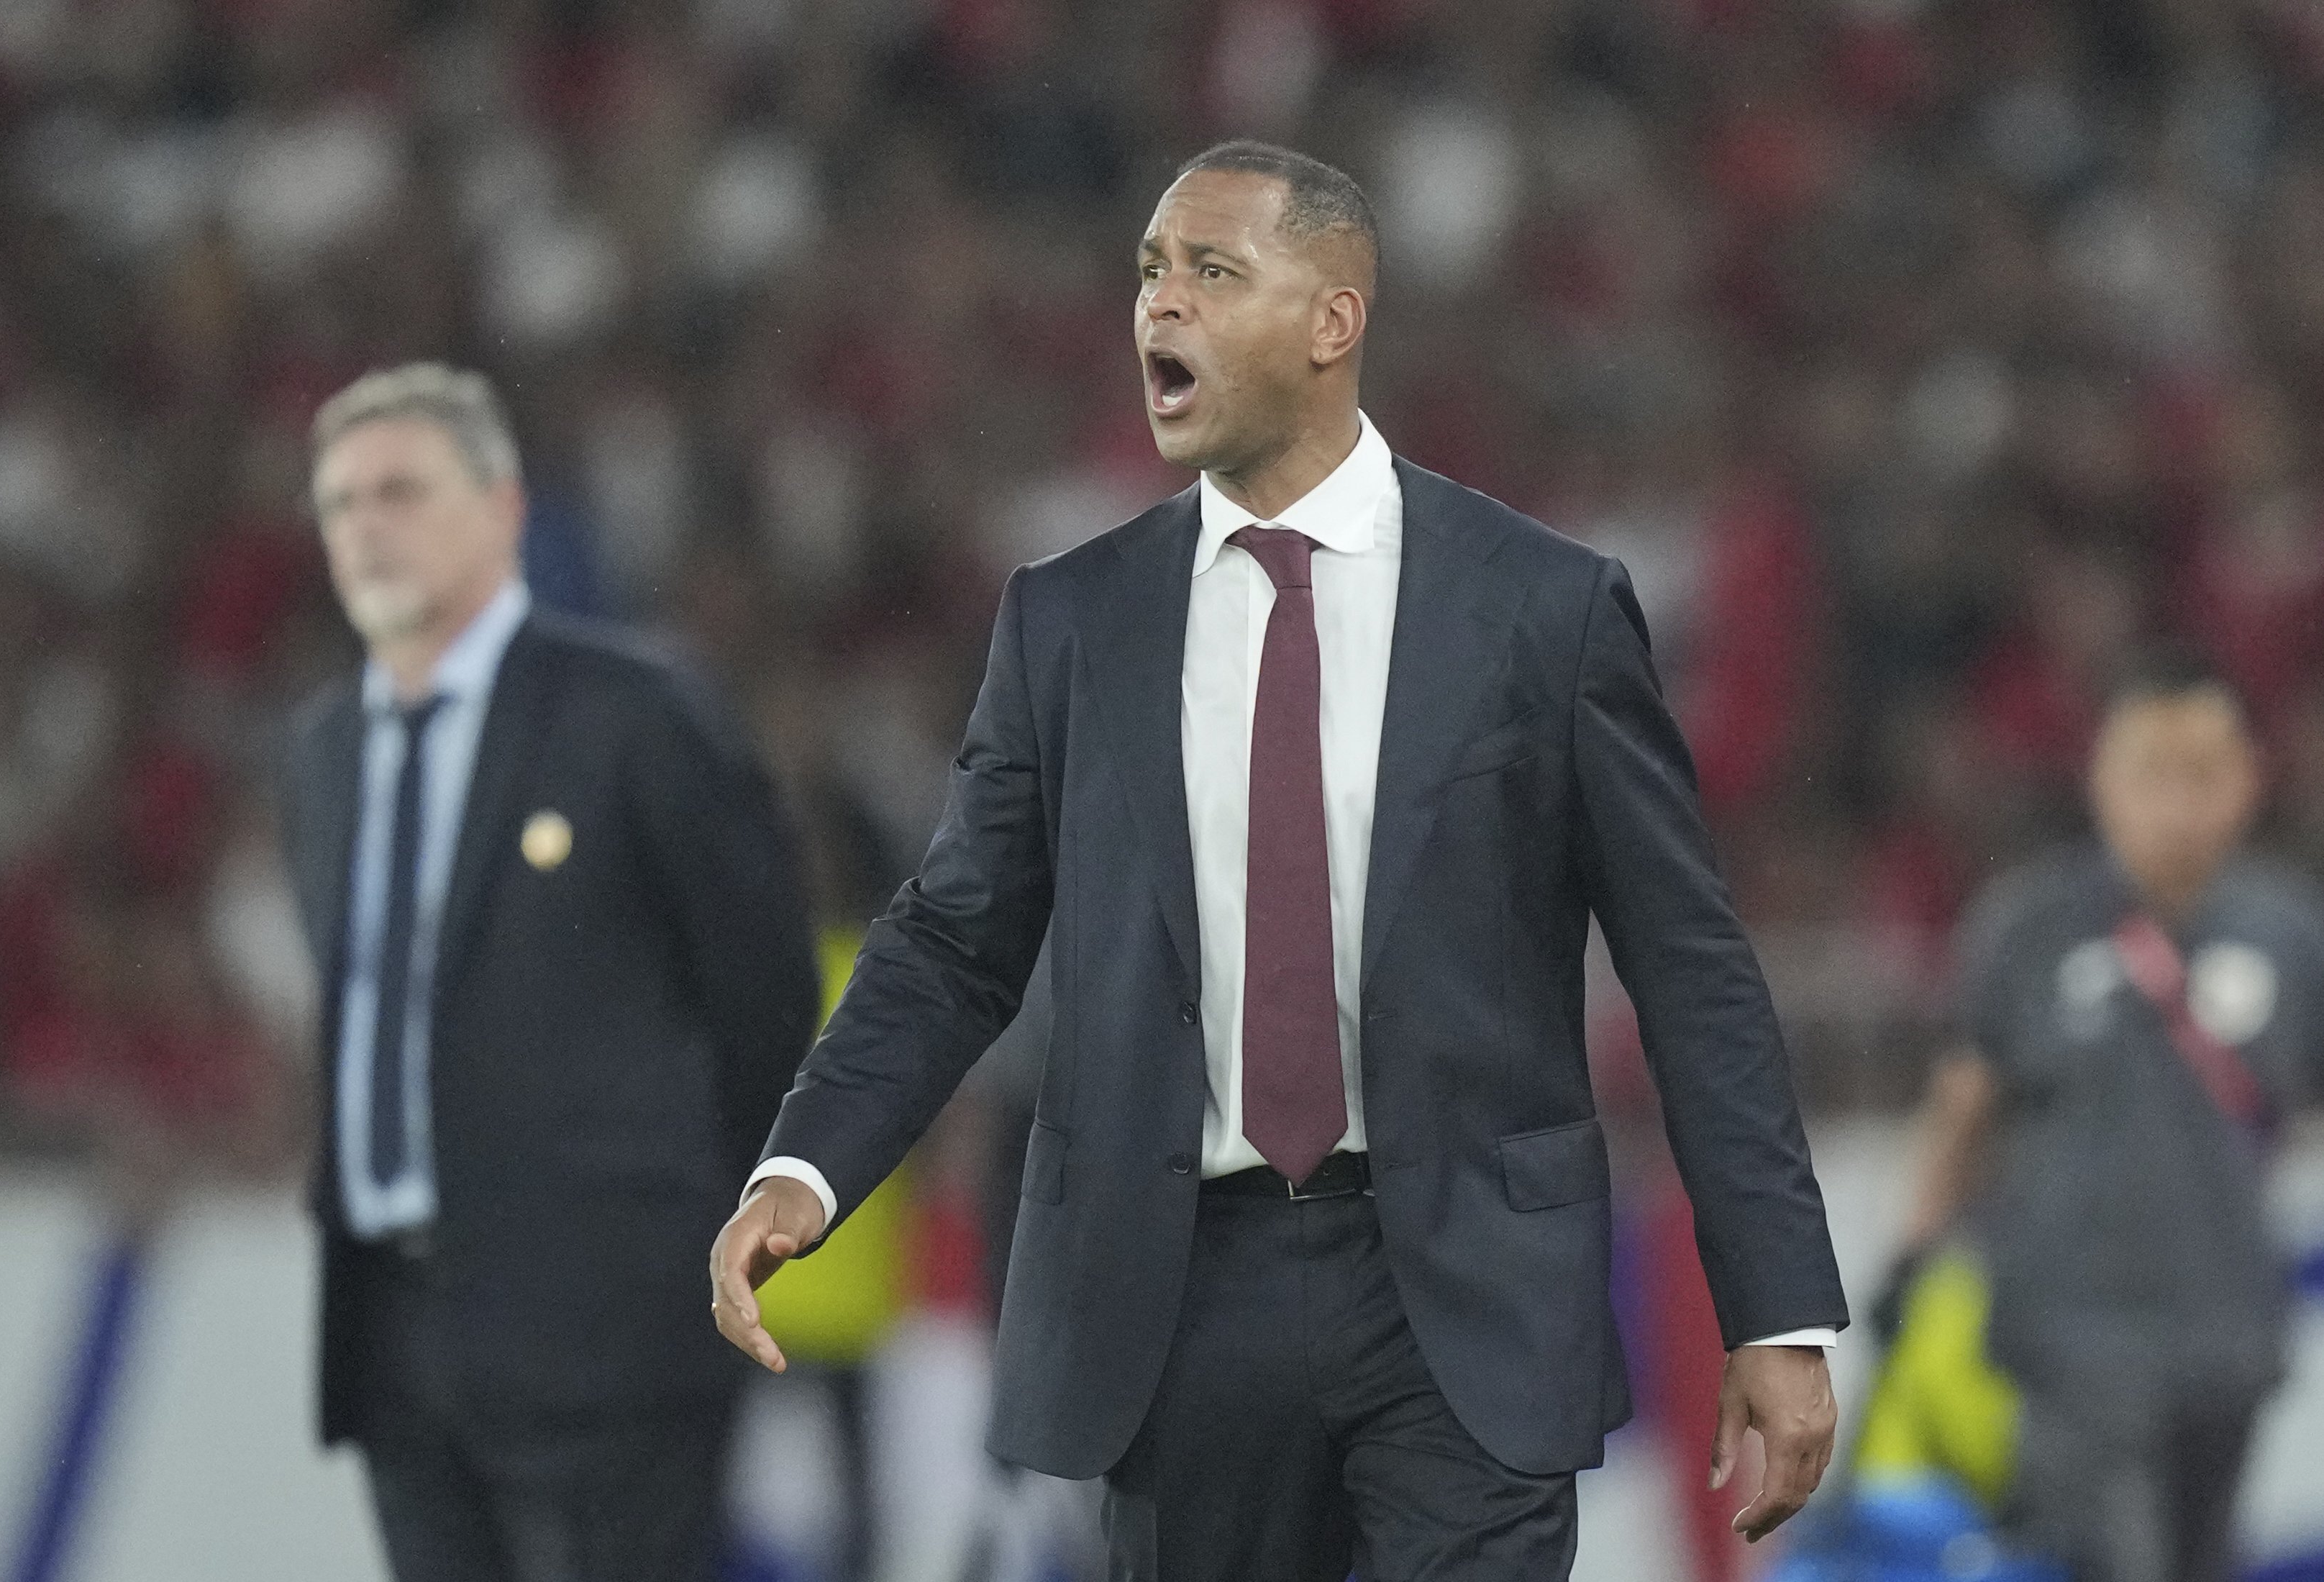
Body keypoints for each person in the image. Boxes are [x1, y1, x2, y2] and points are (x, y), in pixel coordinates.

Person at [711, 142, 1847, 1579]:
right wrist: (806, 1162)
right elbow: (956, 934)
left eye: (1211, 271)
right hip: (1177, 1297)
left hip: (1465, 1294)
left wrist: (1778, 1309)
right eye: (1147, 273)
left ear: (1332, 321)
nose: (1158, 308)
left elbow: (1690, 964)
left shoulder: (1543, 609)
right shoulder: (1073, 621)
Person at [283, 363, 820, 1582]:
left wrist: (677, 1219)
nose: (367, 526)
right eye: (341, 501)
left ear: (501, 510)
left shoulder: (635, 716)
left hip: (610, 1315)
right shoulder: (319, 753)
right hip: (393, 1319)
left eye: (403, 492)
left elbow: (766, 997)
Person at [1892, 653, 2324, 1582]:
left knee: (2199, 1562)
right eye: (2152, 775)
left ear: (2247, 784)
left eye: (2203, 775)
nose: (2178, 804)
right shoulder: (2033, 924)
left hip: (2226, 1331)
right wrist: (1916, 1250)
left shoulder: (2288, 933)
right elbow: (1969, 1101)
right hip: (2072, 1331)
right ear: (2104, 784)